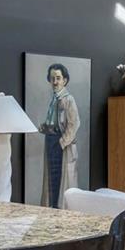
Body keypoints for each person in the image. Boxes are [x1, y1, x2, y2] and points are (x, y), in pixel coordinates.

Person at [39, 63, 80, 209]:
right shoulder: (54, 99)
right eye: (52, 78)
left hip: (60, 143)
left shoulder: (68, 100)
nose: (55, 82)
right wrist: (45, 127)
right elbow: (54, 120)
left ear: (65, 80)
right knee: (51, 177)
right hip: (51, 140)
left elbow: (74, 124)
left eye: (58, 78)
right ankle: (52, 207)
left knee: (60, 177)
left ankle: (59, 209)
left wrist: (62, 142)